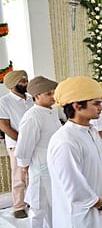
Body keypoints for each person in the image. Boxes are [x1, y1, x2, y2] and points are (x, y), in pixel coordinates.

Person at [47, 76, 102, 228]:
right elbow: (74, 187)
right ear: (77, 106)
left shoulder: (92, 131)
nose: (101, 108)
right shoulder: (65, 140)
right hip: (82, 215)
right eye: (96, 103)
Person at [14, 76, 60, 227]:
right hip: (41, 168)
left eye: (54, 92)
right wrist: (24, 167)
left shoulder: (51, 112)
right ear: (36, 96)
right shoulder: (33, 116)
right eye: (48, 93)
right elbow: (24, 146)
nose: (53, 96)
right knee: (38, 207)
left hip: (54, 165)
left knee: (54, 205)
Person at [0, 70, 34, 218]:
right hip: (16, 144)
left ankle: (33, 201)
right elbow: (4, 125)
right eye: (22, 81)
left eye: (26, 80)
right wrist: (23, 141)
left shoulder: (31, 99)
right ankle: (19, 206)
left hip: (35, 143)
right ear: (12, 84)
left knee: (34, 175)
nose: (25, 83)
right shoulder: (4, 101)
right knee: (19, 176)